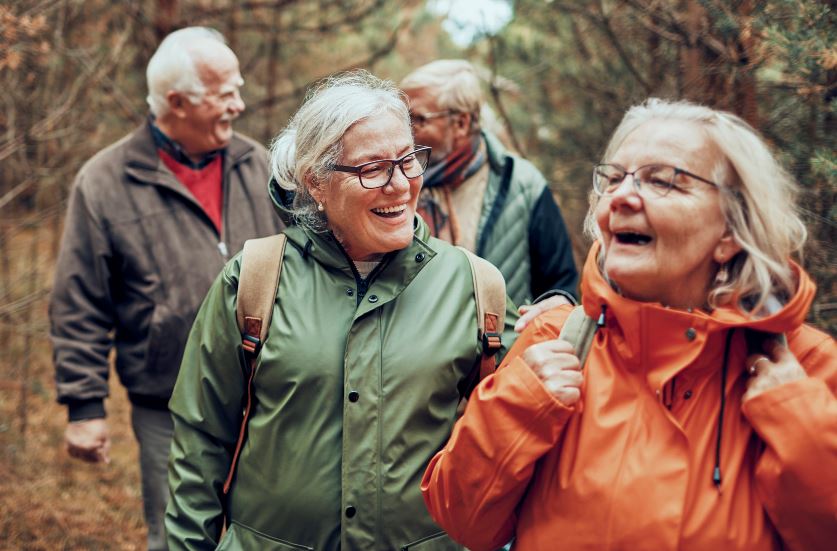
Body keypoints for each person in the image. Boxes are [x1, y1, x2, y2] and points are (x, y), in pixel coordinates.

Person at [421, 98, 837, 550]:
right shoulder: (554, 342)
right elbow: (462, 520)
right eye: (613, 179)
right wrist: (516, 406)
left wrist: (797, 421)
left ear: (730, 231)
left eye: (663, 181)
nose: (620, 196)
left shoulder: (806, 368)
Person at [164, 71, 518, 550]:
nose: (400, 185)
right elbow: (200, 442)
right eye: (372, 168)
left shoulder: (477, 289)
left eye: (409, 160)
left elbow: (519, 440)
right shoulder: (254, 280)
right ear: (317, 182)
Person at [49, 27, 283, 551]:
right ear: (177, 102)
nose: (239, 106)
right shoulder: (105, 181)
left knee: (269, 534)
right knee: (180, 537)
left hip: (271, 395)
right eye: (226, 95)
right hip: (168, 404)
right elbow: (79, 301)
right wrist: (85, 407)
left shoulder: (260, 165)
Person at [400, 60, 578, 311]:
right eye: (403, 117)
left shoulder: (523, 185)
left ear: (461, 123)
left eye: (418, 119)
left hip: (501, 348)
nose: (406, 130)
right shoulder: (396, 181)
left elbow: (560, 287)